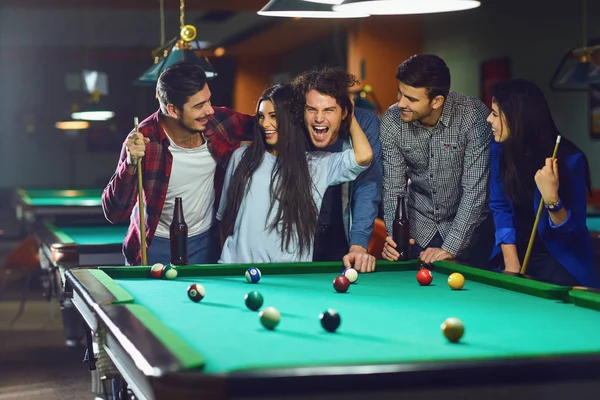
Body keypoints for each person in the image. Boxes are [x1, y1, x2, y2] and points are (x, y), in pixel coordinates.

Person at [102, 62, 254, 266]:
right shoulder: (143, 139)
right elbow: (114, 213)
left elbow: (268, 128)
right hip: (155, 245)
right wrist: (129, 164)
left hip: (207, 241)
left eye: (208, 100)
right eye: (199, 106)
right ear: (173, 110)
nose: (209, 110)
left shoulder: (219, 121)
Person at [217, 84, 373, 263]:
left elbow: (364, 156)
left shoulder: (316, 164)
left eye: (274, 116)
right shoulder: (241, 158)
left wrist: (349, 114)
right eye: (261, 116)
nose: (265, 124)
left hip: (289, 277)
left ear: (291, 118)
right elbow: (225, 220)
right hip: (237, 271)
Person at [380, 54, 494, 266]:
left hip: (470, 229)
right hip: (418, 226)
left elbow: (474, 191)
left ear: (437, 101)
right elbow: (393, 189)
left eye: (412, 99)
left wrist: (450, 247)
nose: (401, 103)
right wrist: (395, 238)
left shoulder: (473, 116)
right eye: (401, 93)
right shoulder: (391, 122)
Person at [487, 79, 600, 287]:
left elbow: (573, 232)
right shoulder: (500, 151)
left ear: (516, 118)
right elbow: (499, 206)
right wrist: (511, 265)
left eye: (495, 113)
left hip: (560, 261)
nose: (488, 119)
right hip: (517, 257)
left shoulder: (570, 160)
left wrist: (552, 200)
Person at [291, 67, 382, 272]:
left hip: (341, 234)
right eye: (312, 109)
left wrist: (358, 245)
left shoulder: (365, 123)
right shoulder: (293, 125)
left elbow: (368, 187)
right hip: (296, 238)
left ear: (345, 111)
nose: (319, 119)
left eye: (329, 110)